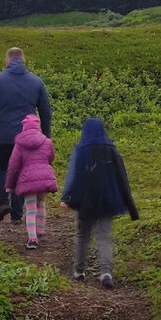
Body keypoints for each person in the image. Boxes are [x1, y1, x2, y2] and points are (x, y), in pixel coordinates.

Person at [60, 117, 139, 288]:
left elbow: (74, 175)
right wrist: (128, 202)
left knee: (82, 235)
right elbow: (122, 177)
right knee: (104, 236)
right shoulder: (112, 150)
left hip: (86, 201)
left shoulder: (82, 150)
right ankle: (106, 273)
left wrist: (67, 198)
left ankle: (79, 272)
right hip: (109, 200)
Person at [0, 47, 52, 223]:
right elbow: (46, 110)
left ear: (6, 60)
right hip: (25, 137)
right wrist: (46, 135)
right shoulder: (36, 81)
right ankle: (17, 214)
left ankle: (2, 202)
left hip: (1, 136)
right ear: (23, 60)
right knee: (19, 172)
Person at [5, 114, 58, 249]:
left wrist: (9, 186)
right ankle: (40, 231)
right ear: (38, 127)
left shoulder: (20, 144)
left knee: (30, 209)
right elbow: (50, 157)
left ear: (24, 128)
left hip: (28, 179)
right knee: (41, 204)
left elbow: (13, 166)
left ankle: (32, 239)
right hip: (44, 177)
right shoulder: (47, 142)